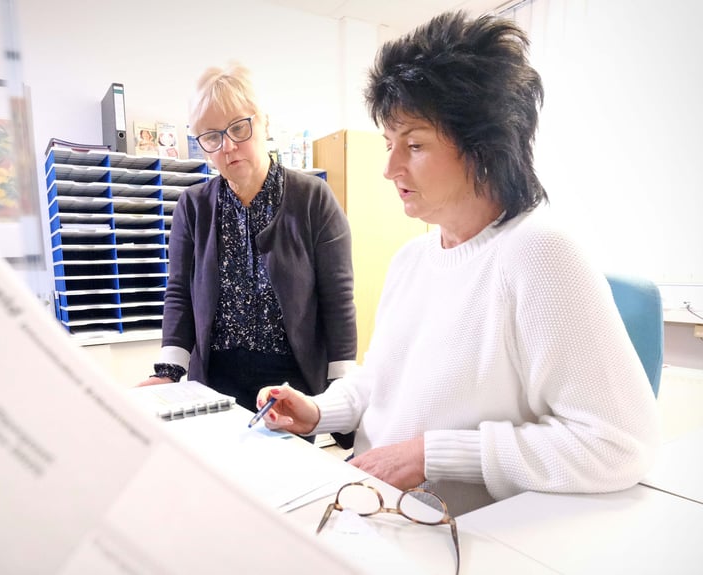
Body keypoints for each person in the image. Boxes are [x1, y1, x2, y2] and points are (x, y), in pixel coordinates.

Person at [257, 12, 660, 515]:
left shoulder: (539, 253)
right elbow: (382, 380)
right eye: (389, 143)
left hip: (456, 535)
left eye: (415, 144)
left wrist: (434, 454)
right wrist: (318, 411)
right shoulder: (412, 259)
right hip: (372, 508)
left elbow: (618, 444)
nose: (389, 167)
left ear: (485, 147)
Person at [137, 62, 357, 418]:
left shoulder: (314, 198)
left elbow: (338, 296)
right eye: (212, 137)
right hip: (215, 378)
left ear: (264, 122)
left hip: (290, 383)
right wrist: (168, 371)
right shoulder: (192, 206)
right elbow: (179, 293)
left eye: (239, 127)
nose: (228, 146)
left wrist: (340, 388)